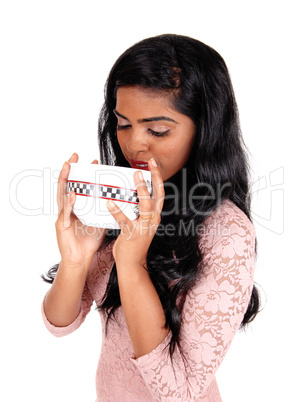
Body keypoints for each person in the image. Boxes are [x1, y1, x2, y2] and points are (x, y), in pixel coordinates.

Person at [41, 34, 260, 401]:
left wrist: (132, 265)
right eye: (123, 124)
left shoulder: (228, 233)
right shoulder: (124, 199)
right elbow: (60, 324)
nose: (135, 144)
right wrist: (75, 262)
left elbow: (179, 392)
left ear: (205, 129)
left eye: (157, 130)